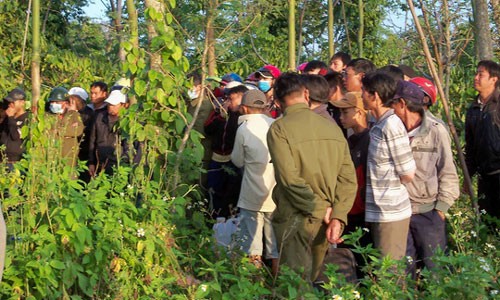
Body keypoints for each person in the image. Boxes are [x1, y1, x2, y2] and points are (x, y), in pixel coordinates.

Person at [267, 72, 357, 282]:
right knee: (312, 280)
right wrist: (337, 216)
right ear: (306, 94)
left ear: (278, 102)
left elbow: (289, 180)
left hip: (296, 216)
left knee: (294, 286)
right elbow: (348, 180)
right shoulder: (332, 128)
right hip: (325, 220)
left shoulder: (279, 129)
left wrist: (320, 211)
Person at [389, 80, 459, 276]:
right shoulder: (392, 130)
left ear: (403, 104)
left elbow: (448, 171)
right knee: (405, 271)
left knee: (436, 270)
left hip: (428, 212)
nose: (391, 108)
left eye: (394, 103)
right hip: (400, 213)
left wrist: (441, 208)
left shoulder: (436, 130)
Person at [361, 72, 416, 260]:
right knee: (382, 269)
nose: (361, 96)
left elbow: (408, 172)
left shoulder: (391, 125)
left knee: (390, 271)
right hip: (380, 210)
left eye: (363, 92)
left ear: (374, 96)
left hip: (391, 212)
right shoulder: (379, 124)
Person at [231, 89, 279, 274]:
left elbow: (237, 160)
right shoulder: (275, 125)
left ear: (244, 108)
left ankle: (254, 285)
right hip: (274, 194)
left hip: (252, 194)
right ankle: (277, 284)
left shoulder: (244, 129)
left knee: (253, 245)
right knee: (274, 245)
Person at [204, 85, 248, 218]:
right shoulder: (221, 113)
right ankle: (213, 217)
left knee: (230, 192)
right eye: (227, 99)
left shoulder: (242, 118)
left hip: (233, 159)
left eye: (232, 99)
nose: (228, 102)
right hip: (217, 157)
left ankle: (229, 218)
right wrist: (220, 115)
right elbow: (208, 129)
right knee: (213, 189)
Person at [465, 60, 500, 219]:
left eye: (481, 74)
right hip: (484, 178)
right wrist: (468, 175)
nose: (476, 77)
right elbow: (470, 147)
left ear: (494, 79)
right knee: (487, 223)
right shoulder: (473, 109)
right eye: (476, 73)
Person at [88, 90, 139, 176]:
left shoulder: (128, 122)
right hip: (100, 163)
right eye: (109, 104)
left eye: (114, 104)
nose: (110, 107)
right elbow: (92, 141)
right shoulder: (99, 117)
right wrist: (91, 162)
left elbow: (129, 147)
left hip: (119, 165)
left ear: (124, 105)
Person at [47, 87, 84, 168]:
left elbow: (78, 131)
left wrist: (57, 131)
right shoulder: (48, 116)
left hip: (69, 160)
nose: (53, 104)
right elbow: (46, 132)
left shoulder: (73, 115)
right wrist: (66, 132)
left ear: (66, 103)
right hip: (52, 159)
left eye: (57, 102)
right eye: (52, 102)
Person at [0, 88, 29, 165]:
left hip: (15, 162)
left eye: (13, 102)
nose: (10, 105)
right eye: (9, 103)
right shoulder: (8, 118)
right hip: (3, 159)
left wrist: (11, 118)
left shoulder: (27, 119)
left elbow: (15, 136)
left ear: (22, 103)